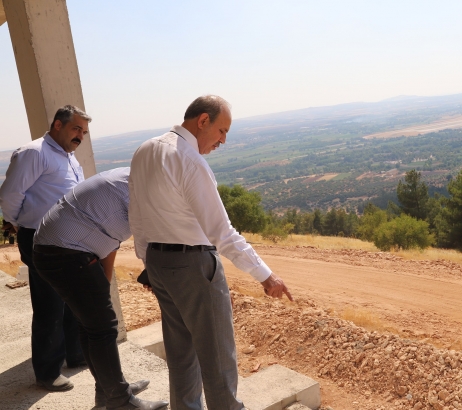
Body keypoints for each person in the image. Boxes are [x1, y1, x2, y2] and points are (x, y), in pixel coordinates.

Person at [129, 95, 293, 410]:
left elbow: (135, 215)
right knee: (218, 359)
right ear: (203, 120)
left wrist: (148, 263)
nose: (223, 140)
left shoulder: (144, 150)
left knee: (181, 356)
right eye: (222, 131)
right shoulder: (189, 160)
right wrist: (266, 275)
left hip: (159, 262)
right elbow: (222, 233)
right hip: (193, 264)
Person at [33, 167, 169, 410]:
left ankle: (109, 392)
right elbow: (148, 240)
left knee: (92, 326)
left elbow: (111, 241)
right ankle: (120, 400)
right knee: (102, 328)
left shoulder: (132, 178)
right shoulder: (141, 189)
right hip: (66, 253)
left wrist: (103, 286)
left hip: (58, 250)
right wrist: (156, 279)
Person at [0, 105, 88, 391]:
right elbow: (10, 195)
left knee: (73, 298)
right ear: (58, 125)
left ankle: (75, 355)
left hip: (69, 239)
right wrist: (20, 223)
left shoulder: (69, 157)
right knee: (49, 303)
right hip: (41, 238)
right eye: (76, 129)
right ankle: (48, 372)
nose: (80, 136)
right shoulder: (34, 152)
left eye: (84, 132)